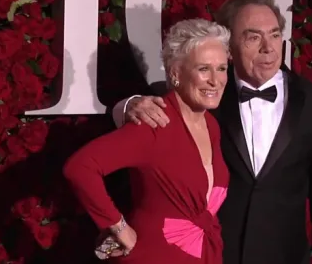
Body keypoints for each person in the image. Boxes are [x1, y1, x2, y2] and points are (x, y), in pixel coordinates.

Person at [112, 0, 312, 264]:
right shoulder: (206, 91)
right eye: (253, 37)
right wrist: (130, 105)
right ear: (229, 47)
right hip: (213, 253)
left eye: (275, 35)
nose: (268, 47)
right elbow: (151, 103)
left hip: (285, 256)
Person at [63, 18, 232, 264]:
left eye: (222, 68)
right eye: (203, 69)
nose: (215, 81)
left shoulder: (211, 126)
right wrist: (119, 227)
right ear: (176, 73)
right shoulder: (155, 124)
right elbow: (80, 167)